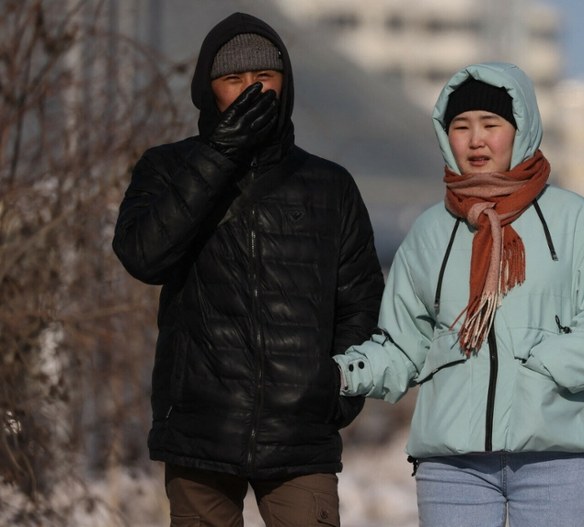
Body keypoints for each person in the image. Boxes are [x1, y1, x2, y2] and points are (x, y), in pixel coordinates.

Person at [333, 62, 584, 527]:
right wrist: (340, 373)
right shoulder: (429, 233)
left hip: (555, 457)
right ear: (445, 135)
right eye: (461, 126)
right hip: (452, 467)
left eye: (491, 125)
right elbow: (401, 345)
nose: (476, 140)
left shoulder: (574, 220)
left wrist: (544, 363)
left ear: (521, 129)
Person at [112, 12, 384, 526]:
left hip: (300, 437)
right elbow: (143, 256)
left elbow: (362, 301)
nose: (250, 91)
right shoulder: (166, 168)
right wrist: (219, 154)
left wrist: (335, 391)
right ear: (207, 90)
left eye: (264, 78)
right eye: (233, 80)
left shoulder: (330, 186)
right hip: (199, 430)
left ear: (286, 84)